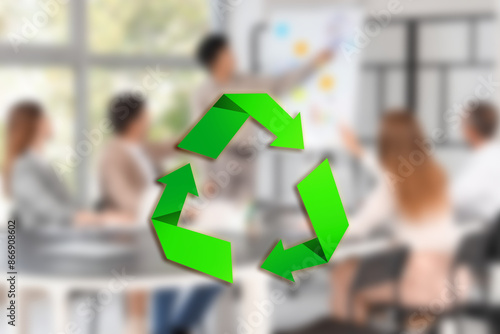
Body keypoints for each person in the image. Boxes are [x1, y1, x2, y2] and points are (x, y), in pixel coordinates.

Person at [332, 112, 465, 329]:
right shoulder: (437, 175)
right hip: (452, 280)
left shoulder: (390, 185)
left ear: (384, 143)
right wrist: (360, 152)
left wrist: (319, 223)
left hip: (420, 286)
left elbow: (355, 229)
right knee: (366, 269)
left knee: (343, 275)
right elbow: (393, 175)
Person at [4, 100, 123, 229]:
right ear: (35, 124)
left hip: (63, 235)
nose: (51, 122)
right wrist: (99, 219)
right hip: (44, 240)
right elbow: (49, 209)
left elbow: (67, 204)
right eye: (45, 118)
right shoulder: (23, 167)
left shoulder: (43, 163)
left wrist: (98, 215)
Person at [192, 33, 332, 117]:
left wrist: (313, 64)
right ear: (216, 61)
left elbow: (280, 84)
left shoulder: (245, 81)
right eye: (228, 54)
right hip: (223, 161)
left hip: (248, 159)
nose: (234, 56)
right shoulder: (202, 95)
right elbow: (200, 145)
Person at [99, 92, 174, 223]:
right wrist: (158, 208)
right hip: (136, 221)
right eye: (146, 116)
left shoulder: (143, 147)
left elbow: (173, 146)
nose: (150, 121)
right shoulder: (112, 156)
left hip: (161, 211)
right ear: (133, 122)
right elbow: (122, 195)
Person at [452, 102, 500, 222]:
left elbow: (456, 199)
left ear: (470, 130)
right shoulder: (492, 154)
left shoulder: (483, 161)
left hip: (486, 233)